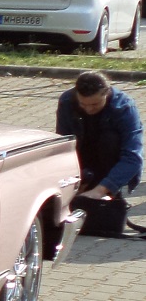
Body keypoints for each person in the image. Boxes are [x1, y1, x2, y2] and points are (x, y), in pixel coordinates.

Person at [55, 71, 143, 204]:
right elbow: (64, 146)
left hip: (112, 163)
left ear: (106, 94)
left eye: (95, 105)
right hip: (83, 160)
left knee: (109, 139)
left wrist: (101, 190)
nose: (89, 110)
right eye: (83, 105)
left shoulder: (124, 107)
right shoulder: (67, 101)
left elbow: (133, 158)